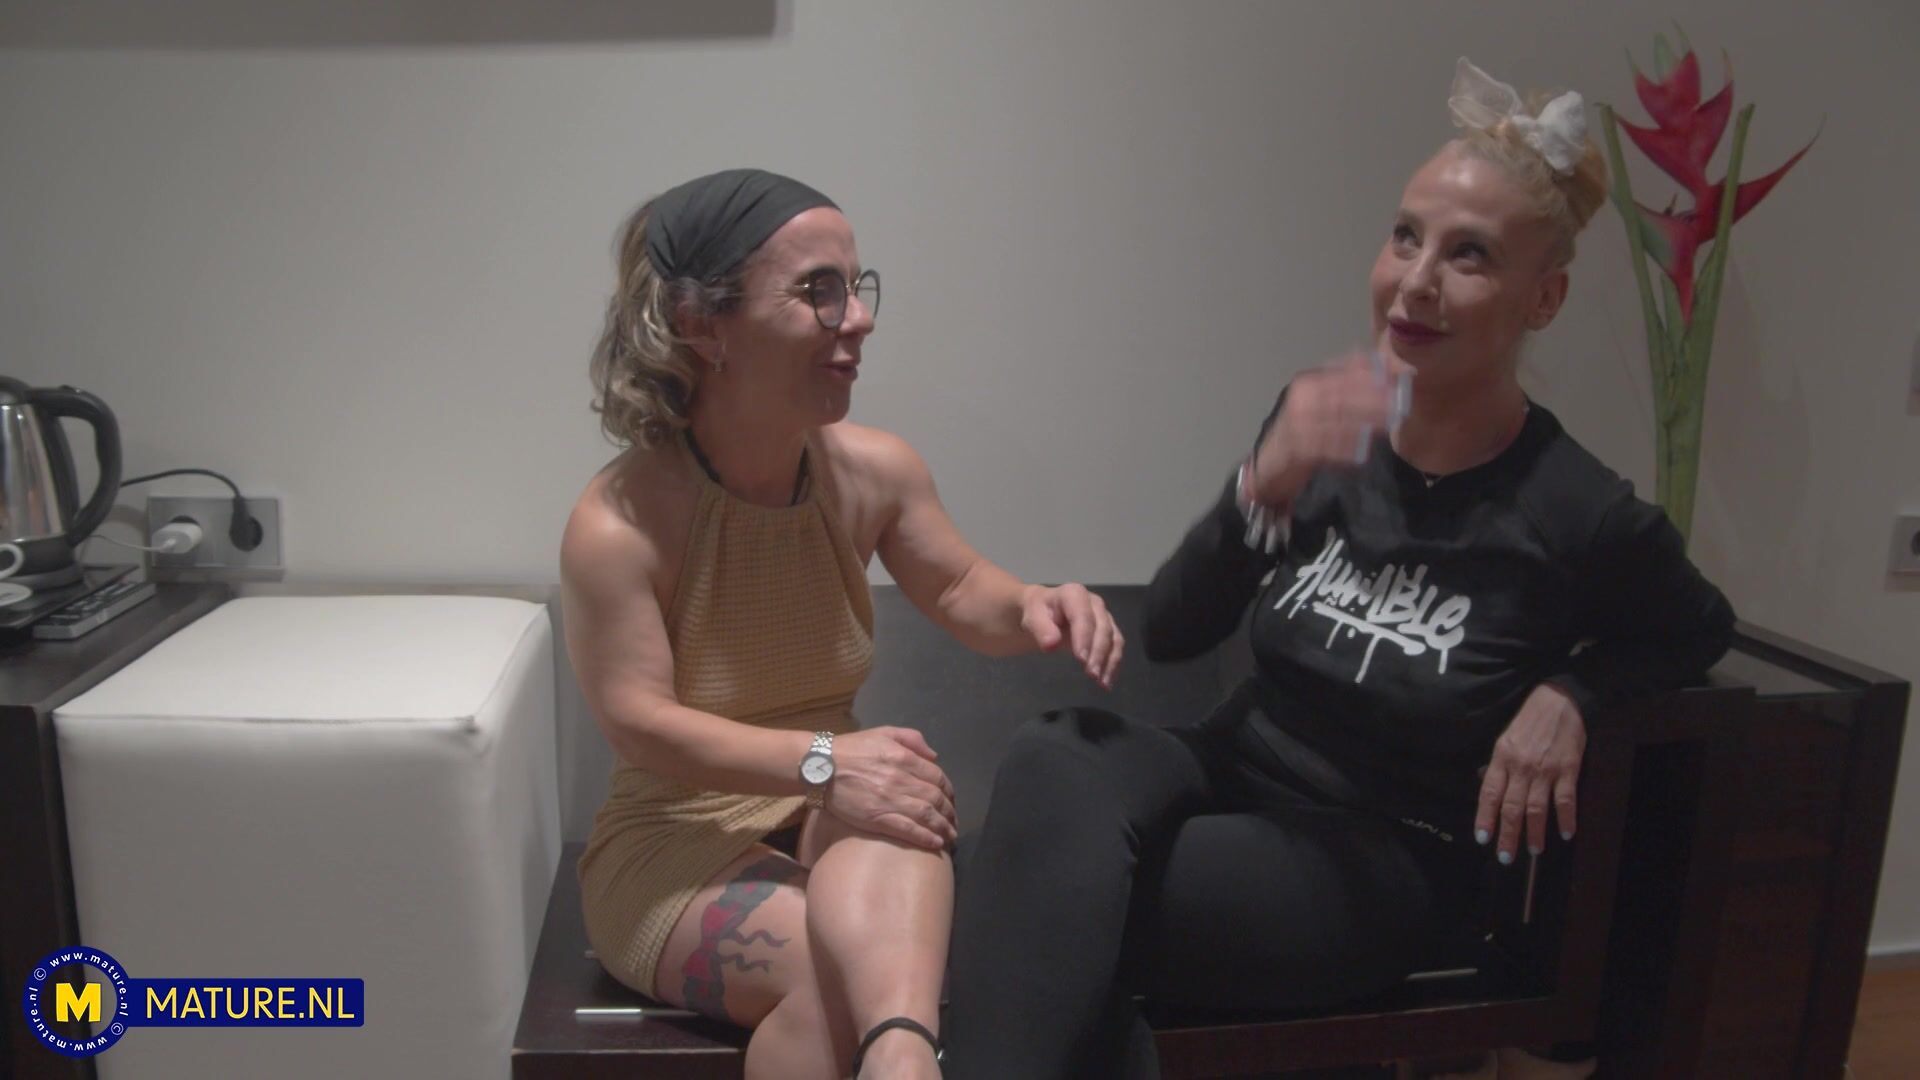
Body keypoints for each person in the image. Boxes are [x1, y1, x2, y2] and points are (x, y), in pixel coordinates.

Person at [942, 60, 1735, 1080]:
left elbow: (1697, 628)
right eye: (1405, 236)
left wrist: (1574, 692)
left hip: (1388, 852)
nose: (1416, 281)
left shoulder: (1578, 508)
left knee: (1025, 889)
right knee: (1056, 754)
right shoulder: (1324, 422)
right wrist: (1261, 486)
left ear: (1544, 298)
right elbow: (1174, 631)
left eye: (1469, 255)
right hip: (1232, 769)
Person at [560, 168, 1123, 1080]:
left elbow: (961, 587)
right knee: (833, 984)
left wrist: (1033, 606)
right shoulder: (619, 521)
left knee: (905, 805)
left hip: (831, 804)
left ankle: (903, 1062)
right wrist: (827, 762)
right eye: (817, 291)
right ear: (702, 325)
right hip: (672, 840)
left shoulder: (873, 471)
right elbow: (640, 723)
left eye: (856, 288)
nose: (857, 318)